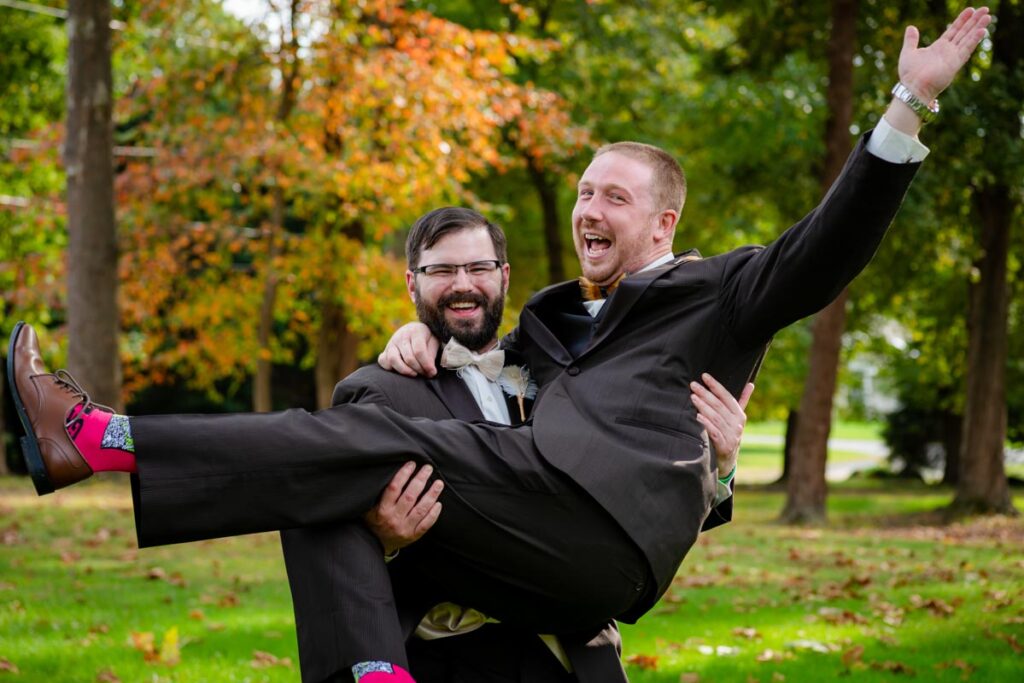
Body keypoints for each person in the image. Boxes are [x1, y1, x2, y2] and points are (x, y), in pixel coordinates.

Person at [7, 7, 989, 682]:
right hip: (536, 543)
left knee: (342, 449)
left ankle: (101, 438)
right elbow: (475, 378)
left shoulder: (719, 292)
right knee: (324, 466)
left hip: (604, 535)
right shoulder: (549, 323)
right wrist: (413, 335)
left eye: (612, 193)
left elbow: (825, 251)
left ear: (664, 219)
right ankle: (377, 664)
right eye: (580, 191)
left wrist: (906, 107)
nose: (586, 207)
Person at [281, 207, 752, 682]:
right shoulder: (379, 392)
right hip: (447, 661)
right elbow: (330, 537)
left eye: (478, 268)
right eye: (441, 270)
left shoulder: (567, 376)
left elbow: (644, 513)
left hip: (571, 658)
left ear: (503, 277)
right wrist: (384, 542)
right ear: (412, 284)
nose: (462, 284)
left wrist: (722, 463)